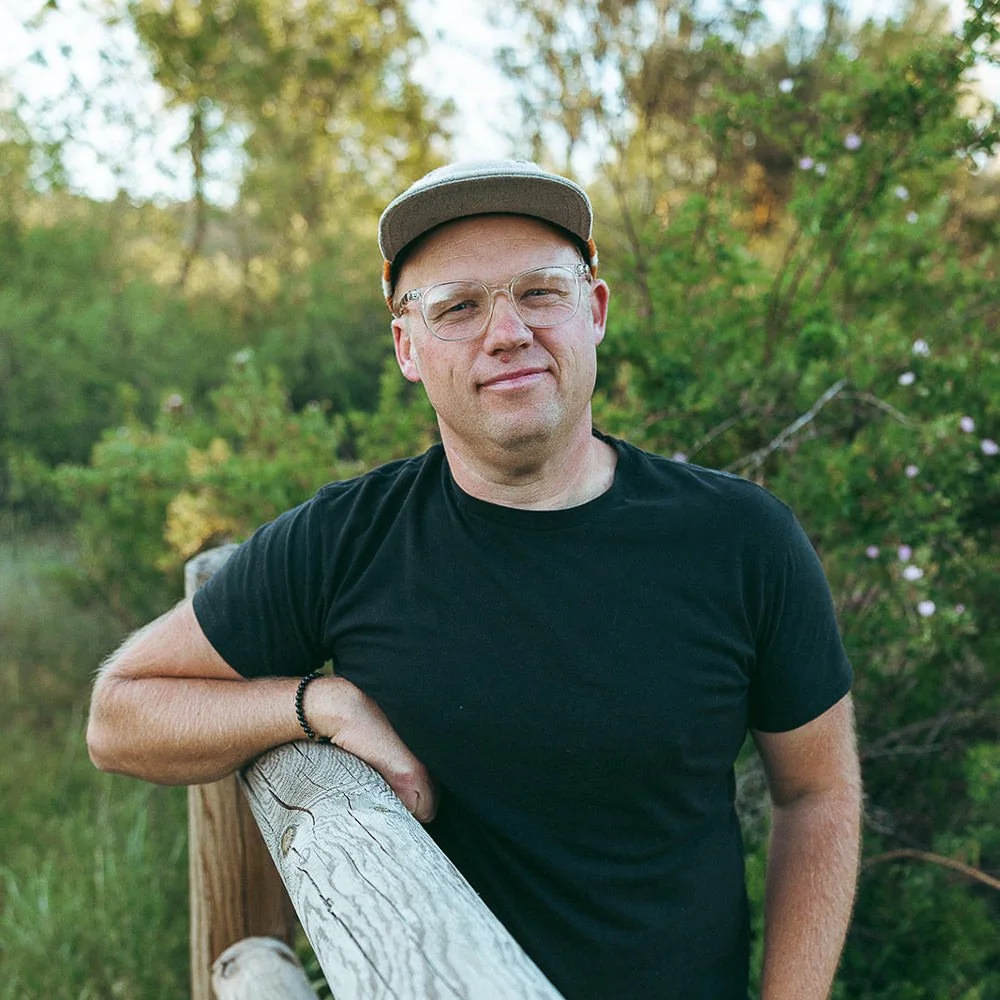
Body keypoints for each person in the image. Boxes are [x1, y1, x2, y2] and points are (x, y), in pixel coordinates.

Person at [87, 159, 862, 1000]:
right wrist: (318, 704)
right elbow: (119, 714)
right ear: (406, 348)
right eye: (458, 307)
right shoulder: (348, 539)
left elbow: (817, 792)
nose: (507, 332)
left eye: (540, 293)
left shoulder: (741, 539)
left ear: (593, 311)